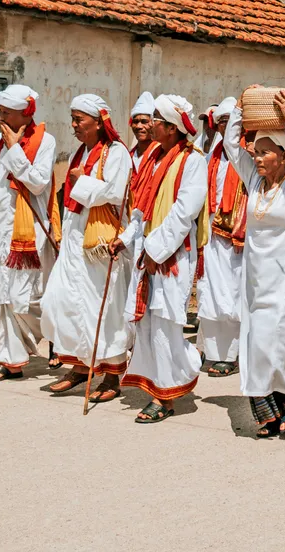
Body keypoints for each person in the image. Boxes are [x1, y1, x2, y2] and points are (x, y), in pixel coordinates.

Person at [112, 94, 207, 423]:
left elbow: (184, 214)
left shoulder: (193, 160)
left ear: (171, 128)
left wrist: (156, 252)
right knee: (147, 323)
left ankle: (164, 396)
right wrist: (124, 240)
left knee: (165, 324)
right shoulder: (152, 157)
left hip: (172, 255)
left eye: (155, 119)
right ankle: (162, 381)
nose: (148, 124)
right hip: (149, 252)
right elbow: (141, 209)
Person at [223, 89, 285, 437]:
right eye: (256, 152)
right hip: (257, 277)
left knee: (284, 342)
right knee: (258, 341)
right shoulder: (254, 182)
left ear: (282, 156)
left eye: (265, 153)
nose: (257, 158)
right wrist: (238, 109)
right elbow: (232, 146)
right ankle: (266, 410)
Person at [42, 95, 132, 402]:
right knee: (65, 301)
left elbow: (115, 193)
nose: (74, 125)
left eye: (79, 119)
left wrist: (83, 180)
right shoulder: (82, 150)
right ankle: (80, 366)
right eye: (73, 118)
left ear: (98, 121)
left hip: (98, 242)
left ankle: (111, 375)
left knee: (102, 308)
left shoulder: (117, 152)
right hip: (73, 239)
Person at [0, 85, 59, 380]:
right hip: (2, 229)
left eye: (5, 112)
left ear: (24, 114)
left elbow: (37, 183)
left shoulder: (44, 141)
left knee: (24, 299)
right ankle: (10, 360)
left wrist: (13, 148)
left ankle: (58, 337)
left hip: (27, 232)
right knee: (3, 298)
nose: (0, 116)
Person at [196, 97, 244, 378]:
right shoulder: (214, 153)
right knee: (211, 294)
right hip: (212, 232)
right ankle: (214, 353)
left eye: (230, 122)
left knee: (234, 296)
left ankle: (232, 354)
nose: (225, 127)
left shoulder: (246, 153)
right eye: (222, 122)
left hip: (237, 236)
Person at [129, 91, 156, 172]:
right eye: (135, 121)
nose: (138, 126)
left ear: (153, 124)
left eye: (144, 121)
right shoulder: (129, 155)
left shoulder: (159, 155)